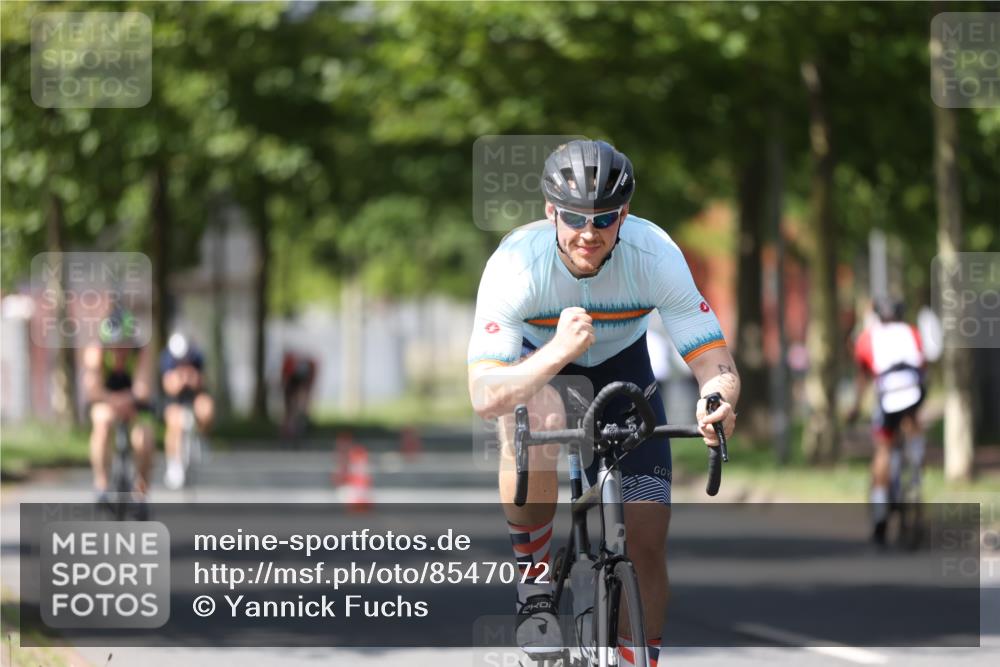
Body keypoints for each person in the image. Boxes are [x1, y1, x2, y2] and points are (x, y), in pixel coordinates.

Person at [467, 140, 740, 665]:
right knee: (540, 413)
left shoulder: (655, 255)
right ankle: (535, 587)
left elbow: (716, 363)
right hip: (540, 365)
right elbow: (485, 393)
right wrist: (558, 351)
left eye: (604, 219)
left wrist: (717, 399)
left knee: (647, 539)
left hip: (622, 370)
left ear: (625, 215)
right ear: (551, 212)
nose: (588, 233)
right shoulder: (516, 265)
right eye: (573, 218)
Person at [849, 297, 927, 545]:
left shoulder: (868, 337)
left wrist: (855, 408)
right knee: (913, 423)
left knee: (883, 448)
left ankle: (881, 512)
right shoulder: (911, 332)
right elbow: (923, 363)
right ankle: (916, 465)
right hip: (914, 389)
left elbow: (862, 377)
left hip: (888, 393)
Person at [82, 305, 155, 507]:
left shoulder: (141, 352)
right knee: (102, 423)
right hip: (107, 402)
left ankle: (141, 492)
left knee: (144, 440)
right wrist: (115, 401)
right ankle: (102, 483)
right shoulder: (95, 352)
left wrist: (129, 401)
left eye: (124, 346)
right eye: (113, 346)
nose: (119, 351)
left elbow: (143, 389)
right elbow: (93, 390)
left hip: (135, 404)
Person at [160, 332, 214, 489]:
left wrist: (192, 379)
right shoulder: (166, 359)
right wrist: (181, 381)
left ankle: (202, 438)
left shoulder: (197, 356)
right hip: (175, 400)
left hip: (195, 397)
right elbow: (169, 386)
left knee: (207, 408)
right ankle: (174, 463)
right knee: (174, 421)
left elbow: (202, 382)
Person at [281, 350, 317, 438]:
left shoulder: (296, 365)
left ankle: (295, 429)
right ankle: (292, 429)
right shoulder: (295, 366)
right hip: (294, 385)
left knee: (296, 408)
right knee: (294, 409)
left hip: (295, 384)